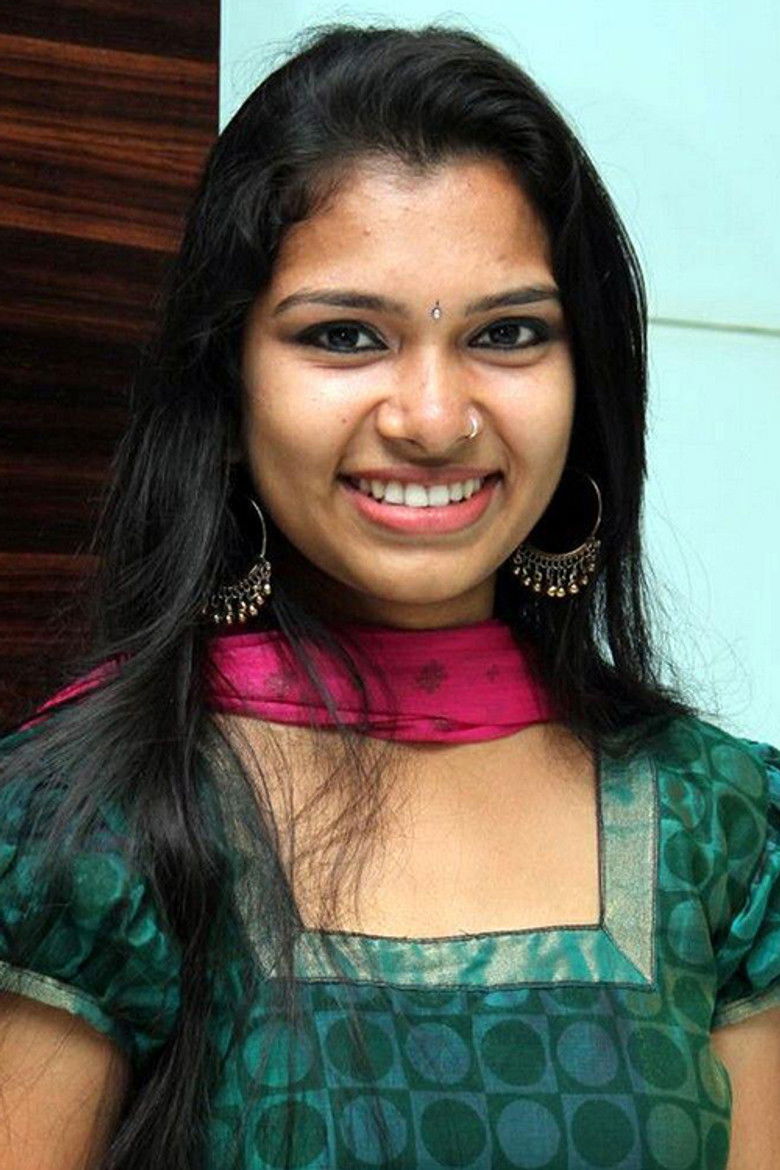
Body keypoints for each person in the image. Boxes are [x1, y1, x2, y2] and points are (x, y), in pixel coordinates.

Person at [0, 21, 778, 1170]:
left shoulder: (723, 823)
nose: (433, 419)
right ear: (228, 384)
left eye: (507, 334)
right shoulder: (90, 823)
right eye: (346, 336)